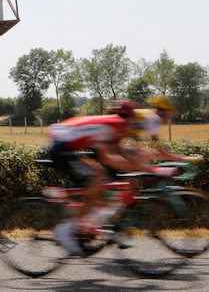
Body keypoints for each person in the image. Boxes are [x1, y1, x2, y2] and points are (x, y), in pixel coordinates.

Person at [46, 101, 156, 255]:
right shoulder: (117, 125)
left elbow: (119, 151)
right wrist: (148, 169)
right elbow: (107, 158)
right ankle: (64, 231)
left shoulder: (113, 124)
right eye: (136, 119)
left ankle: (86, 221)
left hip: (67, 146)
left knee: (100, 179)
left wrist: (142, 166)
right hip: (62, 150)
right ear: (130, 118)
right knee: (94, 184)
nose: (136, 124)